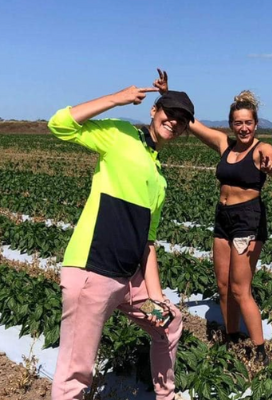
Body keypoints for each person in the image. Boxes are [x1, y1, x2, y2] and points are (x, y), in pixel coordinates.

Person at [48, 69, 192, 399]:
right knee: (76, 372)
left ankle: (165, 395)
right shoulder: (121, 134)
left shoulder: (158, 176)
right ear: (154, 110)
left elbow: (148, 242)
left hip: (129, 282)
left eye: (182, 120)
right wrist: (117, 99)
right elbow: (60, 124)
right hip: (93, 274)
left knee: (169, 322)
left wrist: (156, 297)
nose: (174, 122)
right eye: (170, 113)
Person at [186, 91, 272, 365]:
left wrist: (271, 167)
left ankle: (260, 350)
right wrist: (169, 98)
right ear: (231, 124)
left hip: (248, 219)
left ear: (256, 124)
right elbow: (193, 124)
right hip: (223, 218)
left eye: (248, 122)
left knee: (240, 288)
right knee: (223, 285)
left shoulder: (262, 149)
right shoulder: (224, 145)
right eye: (238, 123)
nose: (244, 128)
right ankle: (231, 337)